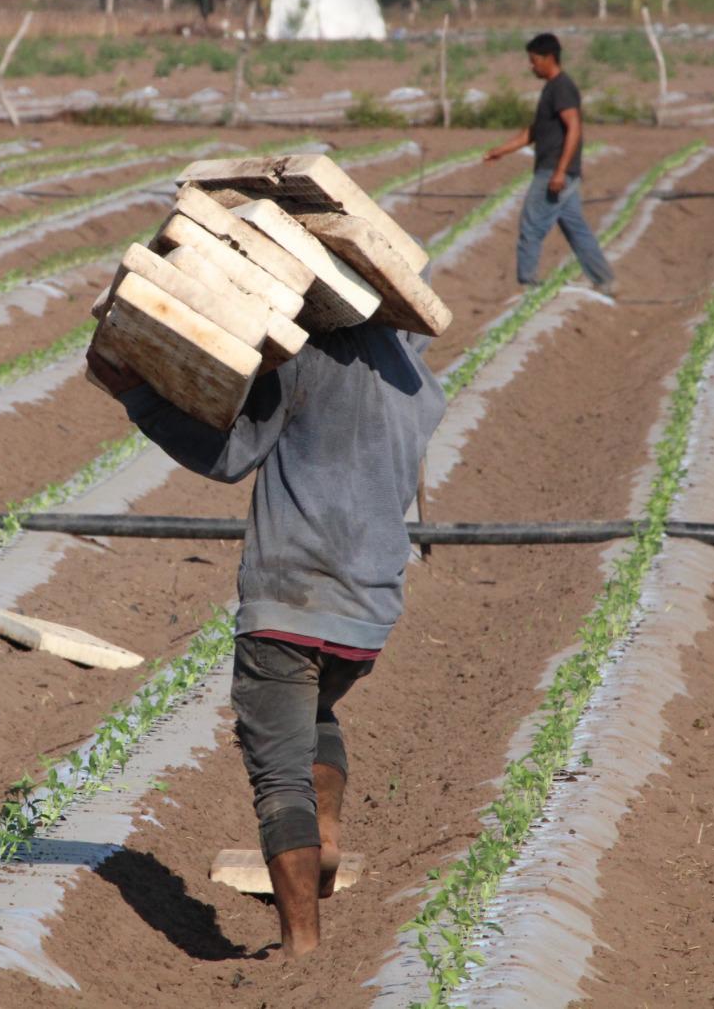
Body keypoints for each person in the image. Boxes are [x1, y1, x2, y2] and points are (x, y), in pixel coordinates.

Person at [86, 316, 444, 957]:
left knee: (279, 779)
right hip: (369, 613)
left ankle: (301, 948)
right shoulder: (414, 375)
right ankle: (326, 832)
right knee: (316, 709)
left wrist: (137, 396)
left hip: (290, 597)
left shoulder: (303, 359)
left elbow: (231, 456)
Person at [483, 32, 615, 295]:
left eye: (534, 60)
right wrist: (502, 150)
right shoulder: (552, 89)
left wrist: (560, 171)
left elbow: (574, 128)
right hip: (560, 171)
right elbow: (534, 131)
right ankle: (605, 281)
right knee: (577, 230)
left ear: (549, 58)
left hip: (554, 172)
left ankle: (527, 284)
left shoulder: (562, 88)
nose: (531, 66)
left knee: (531, 225)